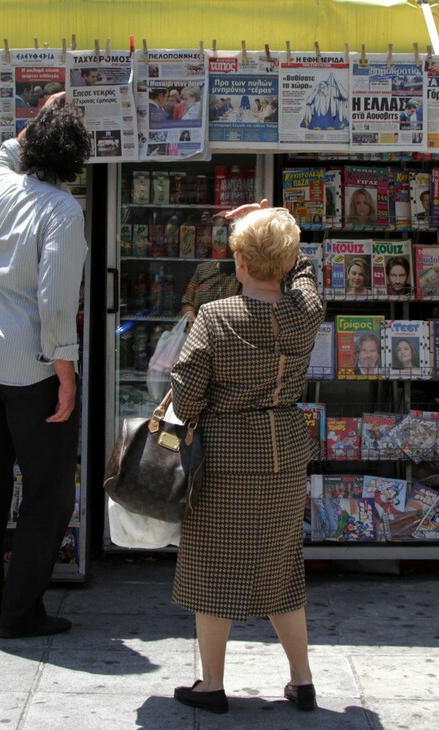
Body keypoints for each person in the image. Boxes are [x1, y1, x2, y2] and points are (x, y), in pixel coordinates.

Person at [171, 201, 323, 714]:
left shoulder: (216, 316)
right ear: (285, 260)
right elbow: (302, 268)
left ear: (239, 262)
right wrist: (273, 216)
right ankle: (302, 681)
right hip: (286, 454)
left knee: (213, 569)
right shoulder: (306, 311)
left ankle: (211, 685)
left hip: (227, 459)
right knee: (281, 566)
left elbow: (187, 395)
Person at [0, 93, 91, 638]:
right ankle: (19, 612)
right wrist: (66, 373)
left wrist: (37, 119)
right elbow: (56, 300)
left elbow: (0, 158)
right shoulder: (63, 210)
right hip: (32, 370)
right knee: (47, 493)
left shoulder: (2, 187)